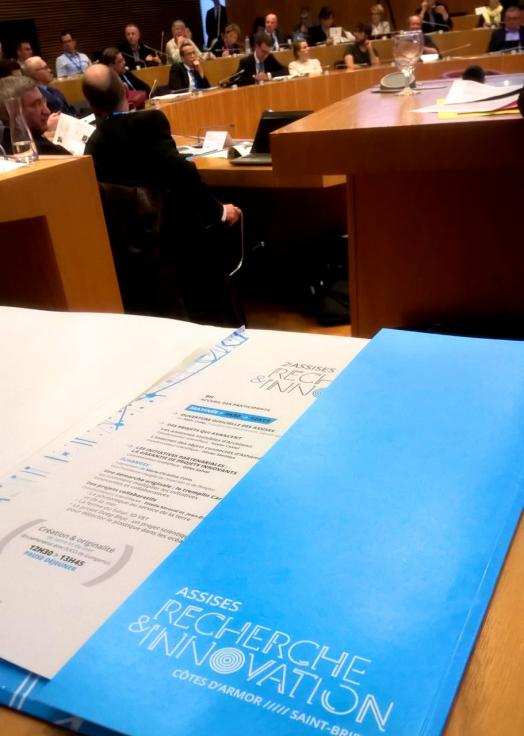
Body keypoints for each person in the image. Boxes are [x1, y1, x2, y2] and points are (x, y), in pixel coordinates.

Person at [81, 64, 242, 325]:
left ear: (90, 103)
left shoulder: (92, 146)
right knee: (233, 213)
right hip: (181, 239)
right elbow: (181, 172)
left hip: (136, 257)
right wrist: (219, 212)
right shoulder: (149, 121)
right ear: (125, 90)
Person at [0, 75, 69, 155]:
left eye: (43, 101)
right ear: (12, 112)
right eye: (34, 105)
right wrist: (63, 135)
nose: (47, 111)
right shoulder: (43, 150)